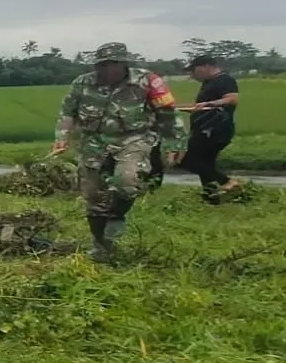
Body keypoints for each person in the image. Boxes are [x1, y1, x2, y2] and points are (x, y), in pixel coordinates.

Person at [52, 42, 186, 262]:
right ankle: (101, 246)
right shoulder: (82, 83)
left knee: (126, 180)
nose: (105, 70)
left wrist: (176, 142)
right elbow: (67, 112)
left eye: (112, 64)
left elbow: (167, 113)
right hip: (93, 142)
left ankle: (117, 214)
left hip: (133, 139)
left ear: (123, 64)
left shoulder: (148, 81)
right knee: (93, 197)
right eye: (101, 65)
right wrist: (61, 138)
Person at [182, 55, 241, 203]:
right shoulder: (209, 83)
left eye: (194, 70)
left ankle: (227, 181)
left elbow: (232, 99)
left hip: (215, 129)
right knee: (206, 163)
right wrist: (197, 109)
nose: (192, 75)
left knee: (186, 159)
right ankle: (212, 198)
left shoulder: (225, 80)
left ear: (207, 66)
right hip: (204, 128)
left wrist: (211, 103)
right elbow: (206, 107)